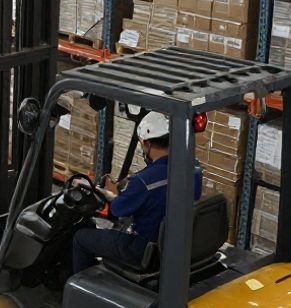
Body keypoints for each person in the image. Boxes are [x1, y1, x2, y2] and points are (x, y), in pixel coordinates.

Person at [71, 112, 202, 273]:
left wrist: (111, 193)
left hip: (142, 249)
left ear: (147, 144)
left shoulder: (143, 181)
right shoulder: (194, 169)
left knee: (81, 238)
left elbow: (117, 210)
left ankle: (82, 288)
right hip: (174, 242)